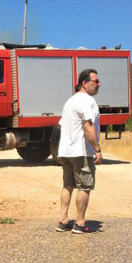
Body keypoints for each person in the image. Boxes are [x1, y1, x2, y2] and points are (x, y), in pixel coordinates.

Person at [55, 68, 104, 233]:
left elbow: (62, 125)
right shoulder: (87, 101)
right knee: (84, 186)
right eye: (95, 81)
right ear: (84, 83)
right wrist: (97, 149)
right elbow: (87, 126)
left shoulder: (70, 101)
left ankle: (63, 221)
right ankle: (80, 223)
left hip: (66, 151)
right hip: (81, 151)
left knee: (68, 185)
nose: (99, 84)